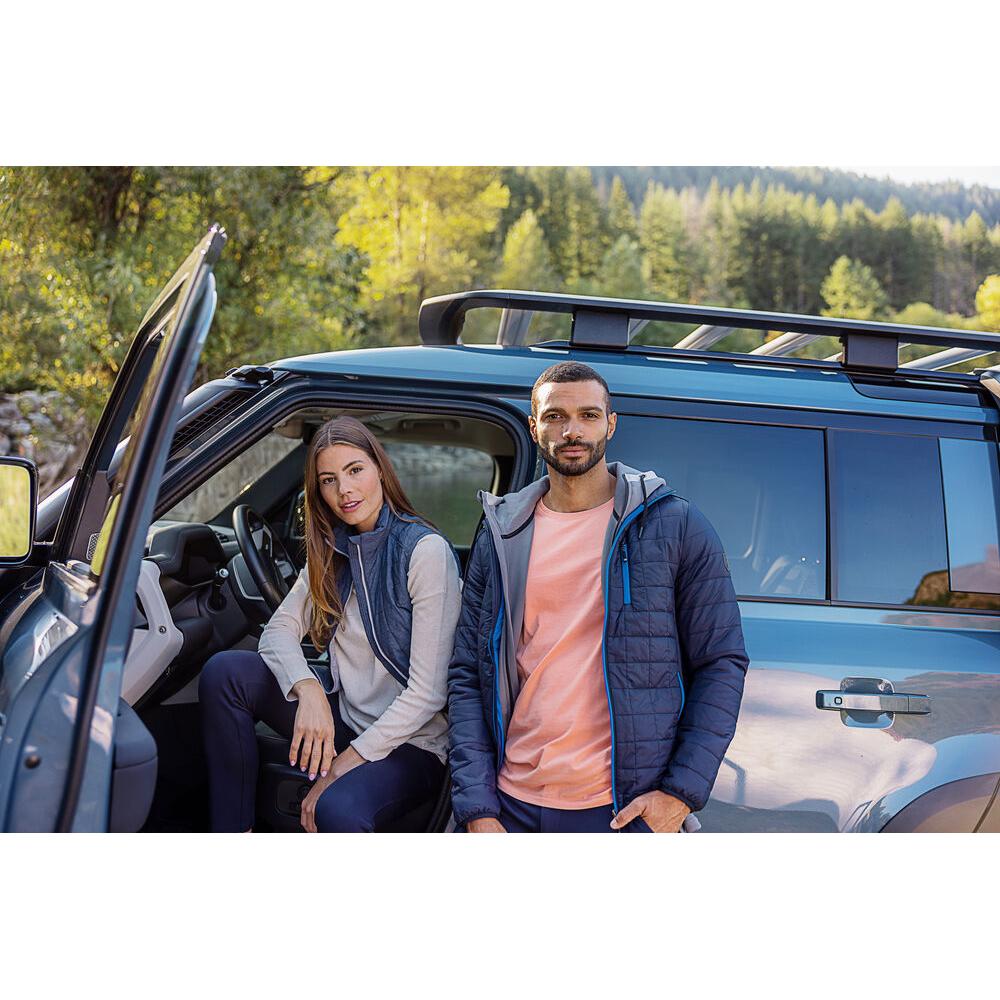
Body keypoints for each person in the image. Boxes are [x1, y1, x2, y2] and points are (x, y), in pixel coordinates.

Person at [448, 361, 749, 833]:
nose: (572, 431)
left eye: (588, 415)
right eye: (555, 416)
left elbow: (721, 662)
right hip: (512, 803)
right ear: (534, 427)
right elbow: (468, 671)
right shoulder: (503, 533)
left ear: (610, 423)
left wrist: (679, 794)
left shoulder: (673, 525)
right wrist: (477, 807)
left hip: (619, 808)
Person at [200, 416, 461, 832]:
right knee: (226, 673)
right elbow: (278, 631)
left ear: (380, 469)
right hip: (348, 716)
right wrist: (309, 691)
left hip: (413, 742)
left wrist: (339, 767)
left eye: (355, 470)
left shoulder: (424, 552)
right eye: (329, 480)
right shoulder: (332, 550)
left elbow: (427, 694)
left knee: (335, 808)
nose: (345, 490)